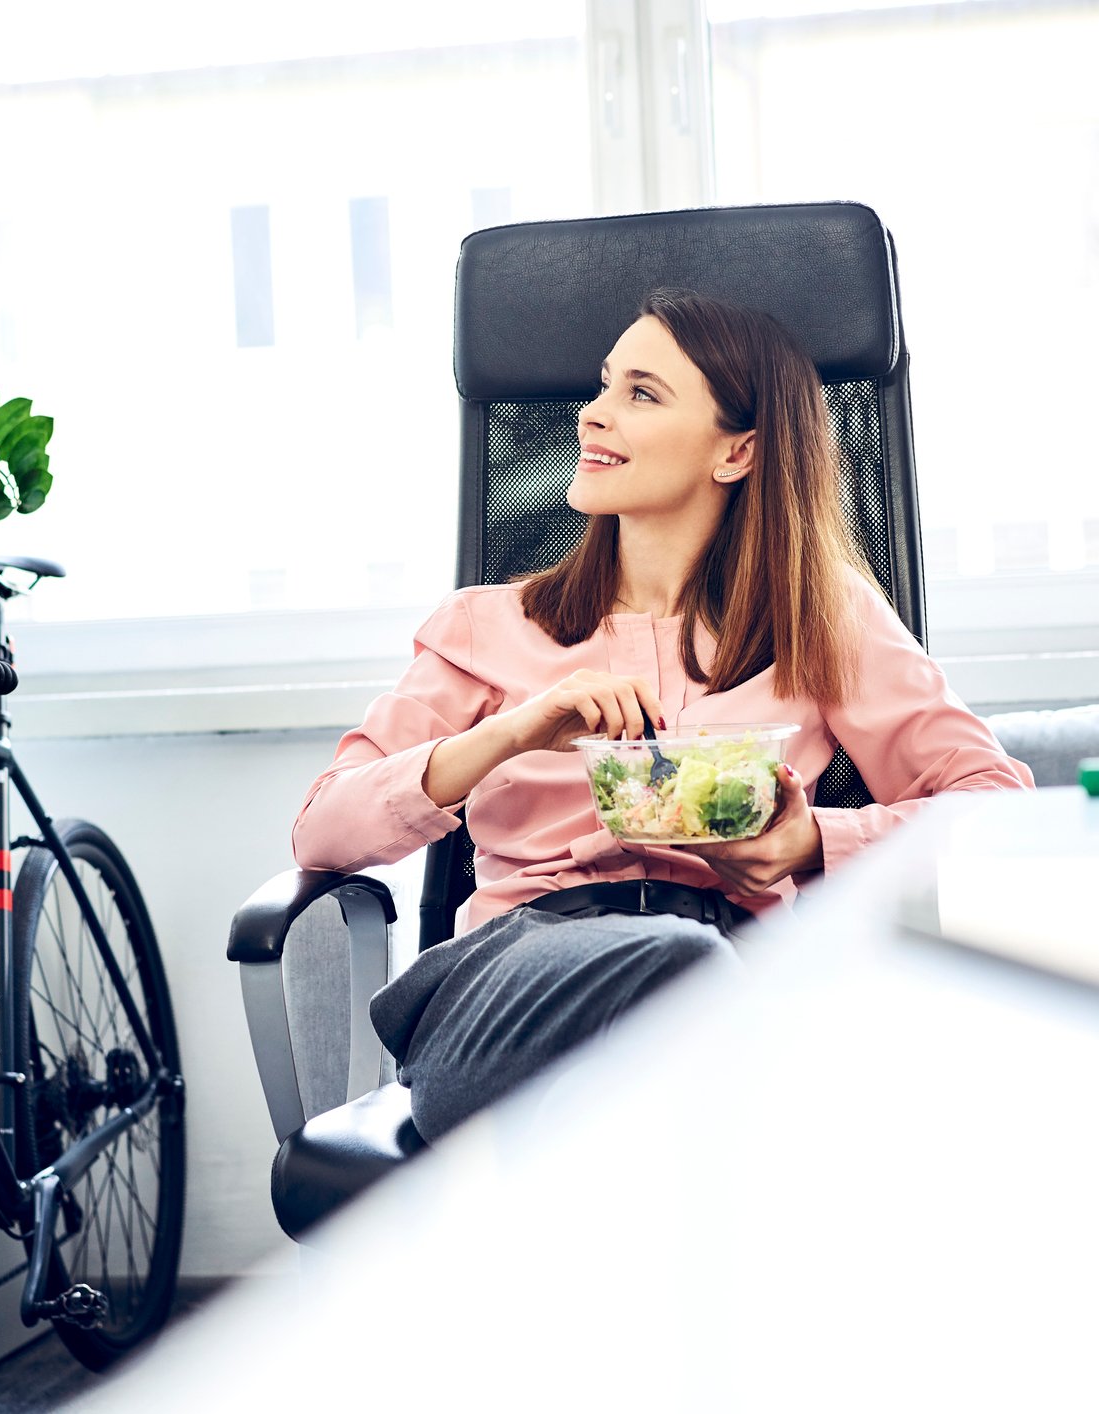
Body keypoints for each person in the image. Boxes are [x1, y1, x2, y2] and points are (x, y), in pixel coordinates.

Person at [292, 288, 1033, 1139]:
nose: (592, 415)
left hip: (738, 969)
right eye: (604, 386)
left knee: (713, 1003)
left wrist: (813, 841)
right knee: (696, 981)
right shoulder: (485, 626)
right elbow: (322, 830)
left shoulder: (826, 622)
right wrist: (515, 732)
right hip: (520, 976)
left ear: (738, 451)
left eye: (640, 394)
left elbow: (995, 808)